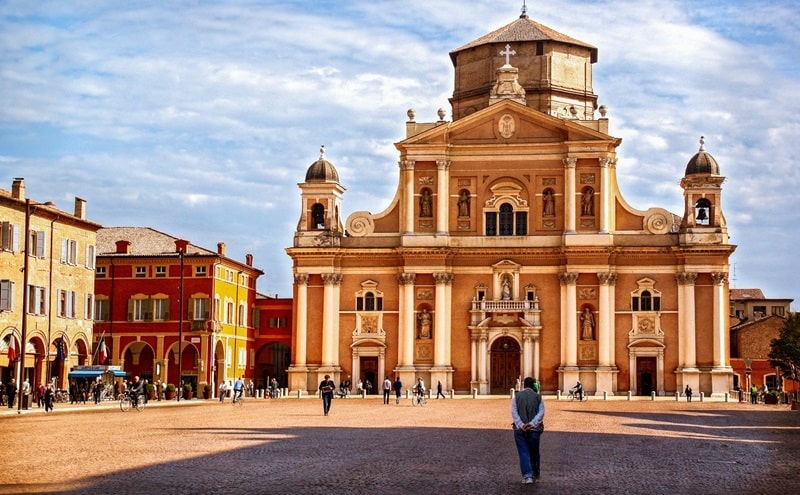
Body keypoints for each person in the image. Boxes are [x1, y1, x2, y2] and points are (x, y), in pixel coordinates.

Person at [512, 376, 545, 484]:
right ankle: (535, 474)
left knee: (523, 452)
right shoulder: (538, 397)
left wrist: (521, 425)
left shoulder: (516, 397)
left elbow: (514, 412)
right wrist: (531, 424)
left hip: (519, 430)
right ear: (533, 385)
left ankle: (527, 476)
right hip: (534, 430)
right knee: (534, 452)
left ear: (524, 385)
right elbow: (541, 413)